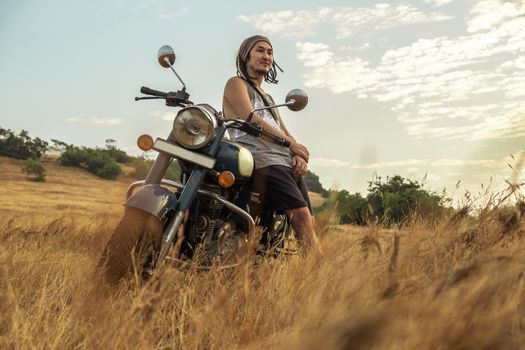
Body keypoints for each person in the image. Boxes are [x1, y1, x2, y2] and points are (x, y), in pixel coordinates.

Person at [222, 35, 321, 253]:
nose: (266, 56)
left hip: (282, 160)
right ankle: (320, 274)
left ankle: (314, 277)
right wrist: (290, 145)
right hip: (260, 157)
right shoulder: (236, 83)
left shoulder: (269, 99)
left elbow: (286, 133)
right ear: (245, 54)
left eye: (269, 52)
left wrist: (298, 154)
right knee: (302, 216)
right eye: (260, 50)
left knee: (308, 222)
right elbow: (249, 117)